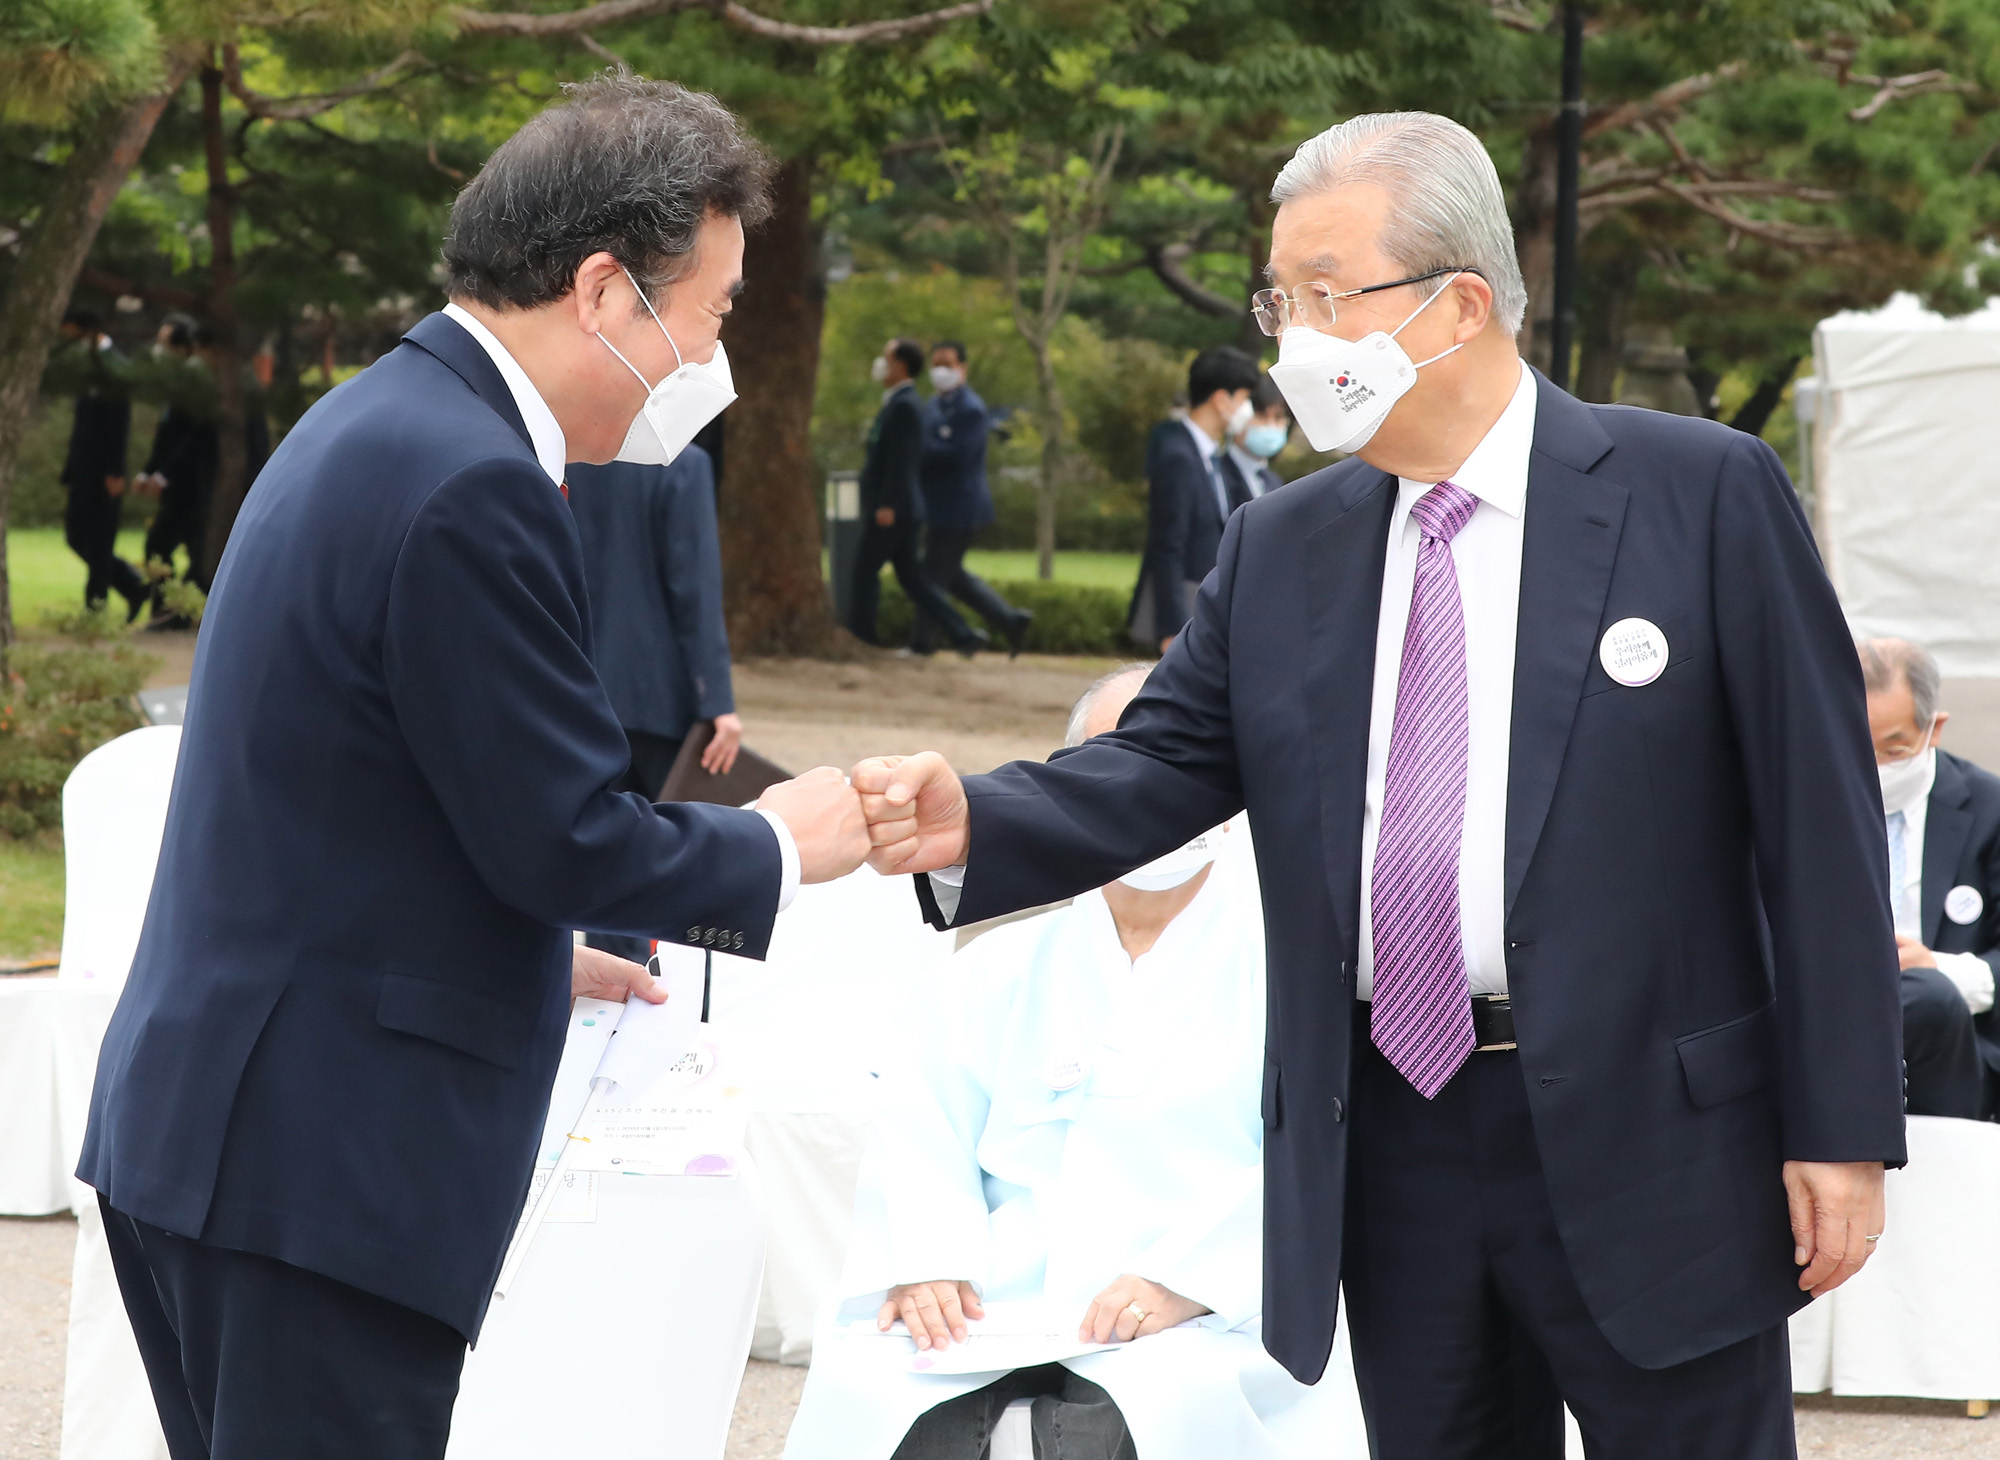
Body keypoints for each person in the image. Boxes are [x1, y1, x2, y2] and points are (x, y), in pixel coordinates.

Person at [855, 110, 1902, 1459]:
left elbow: (1821, 834)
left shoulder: (1697, 494)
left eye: (1325, 296)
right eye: (1278, 299)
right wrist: (972, 819)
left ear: (1460, 304)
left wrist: (1844, 1128)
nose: (1293, 338)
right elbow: (1164, 757)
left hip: (1659, 1143)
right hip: (1392, 1142)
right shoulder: (1281, 545)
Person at [79, 76, 870, 1460]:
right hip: (320, 1164)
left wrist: (510, 944)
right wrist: (787, 839)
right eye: (716, 311)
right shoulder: (470, 479)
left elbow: (350, 788)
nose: (713, 356)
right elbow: (568, 836)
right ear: (607, 291)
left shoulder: (382, 421)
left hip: (232, 1127)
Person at [787, 664, 1347, 1460]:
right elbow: (923, 1123)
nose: (1148, 800)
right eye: (1118, 768)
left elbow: (1315, 1159)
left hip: (1208, 1310)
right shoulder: (997, 967)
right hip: (998, 1297)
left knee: (1149, 1410)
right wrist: (930, 1261)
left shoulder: (1293, 972)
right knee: (871, 1393)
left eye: (1176, 770)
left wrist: (1192, 1280)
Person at [567, 444, 744, 962]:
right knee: (686, 862)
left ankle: (617, 1000)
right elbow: (695, 590)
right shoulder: (683, 464)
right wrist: (718, 699)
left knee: (608, 862)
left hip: (583, 692)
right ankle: (684, 1008)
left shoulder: (566, 461)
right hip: (663, 695)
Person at [1860, 637, 2000, 1119]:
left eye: (1893, 750)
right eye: (1858, 750)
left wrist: (1938, 970)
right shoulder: (1802, 810)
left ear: (1933, 729)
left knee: (1926, 1000)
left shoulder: (1990, 810)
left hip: (1959, 1054)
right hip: (1841, 1032)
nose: (1875, 769)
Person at [848, 337, 986, 655]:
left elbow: (902, 461)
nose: (881, 365)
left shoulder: (907, 405)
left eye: (887, 358)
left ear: (900, 365)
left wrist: (886, 504)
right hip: (904, 508)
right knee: (914, 579)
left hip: (896, 510)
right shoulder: (898, 402)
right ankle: (963, 634)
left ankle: (861, 638)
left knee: (864, 571)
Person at [1128, 347, 1257, 652]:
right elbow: (1168, 544)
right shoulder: (1179, 457)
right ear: (1221, 400)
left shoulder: (1212, 456)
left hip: (1206, 602)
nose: (1247, 409)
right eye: (1243, 399)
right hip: (1185, 607)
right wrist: (1172, 626)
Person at [910, 341, 1032, 657]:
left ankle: (923, 642)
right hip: (937, 505)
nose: (940, 371)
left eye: (947, 364)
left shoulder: (971, 409)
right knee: (952, 576)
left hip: (960, 507)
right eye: (935, 363)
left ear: (962, 368)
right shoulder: (934, 404)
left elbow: (959, 455)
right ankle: (1009, 620)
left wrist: (921, 449)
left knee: (932, 577)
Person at [49, 307, 147, 618]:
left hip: (105, 472)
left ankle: (96, 605)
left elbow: (118, 424)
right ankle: (133, 584)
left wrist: (115, 471)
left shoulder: (114, 367)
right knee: (77, 535)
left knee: (101, 537)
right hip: (83, 470)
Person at [1219, 375, 1290, 508]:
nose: (1271, 426)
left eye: (1278, 417)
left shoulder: (1274, 482)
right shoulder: (1215, 475)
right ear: (1238, 417)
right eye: (1261, 416)